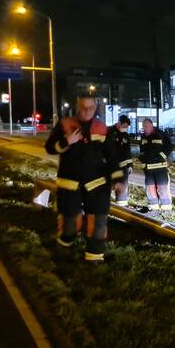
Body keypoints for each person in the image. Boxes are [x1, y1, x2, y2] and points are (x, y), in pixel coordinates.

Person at [45, 94, 112, 262]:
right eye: (82, 107)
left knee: (98, 222)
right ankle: (64, 250)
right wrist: (66, 141)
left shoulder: (102, 128)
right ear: (77, 107)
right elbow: (49, 148)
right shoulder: (65, 125)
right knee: (70, 224)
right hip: (70, 183)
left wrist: (118, 178)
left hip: (97, 184)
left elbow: (112, 155)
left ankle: (94, 259)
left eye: (90, 108)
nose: (86, 111)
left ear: (95, 108)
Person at [138, 118, 173, 212]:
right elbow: (142, 150)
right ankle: (153, 205)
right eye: (143, 126)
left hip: (160, 166)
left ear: (151, 125)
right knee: (150, 187)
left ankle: (166, 206)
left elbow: (169, 147)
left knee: (162, 186)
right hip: (148, 168)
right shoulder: (143, 137)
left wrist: (161, 157)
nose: (145, 128)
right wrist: (142, 160)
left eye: (146, 126)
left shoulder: (161, 135)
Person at [105, 114, 133, 207]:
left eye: (126, 127)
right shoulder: (108, 132)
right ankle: (105, 207)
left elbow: (128, 151)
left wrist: (129, 165)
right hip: (109, 166)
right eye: (124, 126)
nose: (125, 128)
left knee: (122, 187)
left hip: (122, 167)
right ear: (119, 123)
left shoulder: (125, 136)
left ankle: (122, 207)